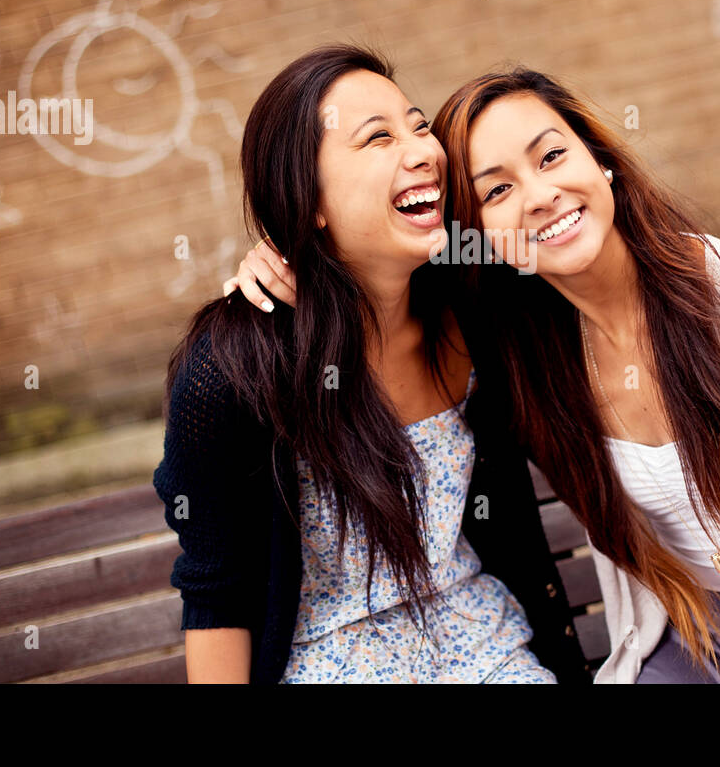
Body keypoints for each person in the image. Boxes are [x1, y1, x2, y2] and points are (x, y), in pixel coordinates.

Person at [230, 64, 720, 684]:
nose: (540, 196)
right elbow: (375, 268)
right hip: (690, 638)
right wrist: (282, 248)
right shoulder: (523, 345)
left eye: (550, 157)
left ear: (598, 158)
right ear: (481, 235)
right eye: (498, 192)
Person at [155, 44, 589, 683]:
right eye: (377, 138)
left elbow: (586, 240)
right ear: (311, 201)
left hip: (487, 649)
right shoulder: (231, 375)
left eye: (418, 126)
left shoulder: (474, 304)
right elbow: (216, 591)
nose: (423, 150)